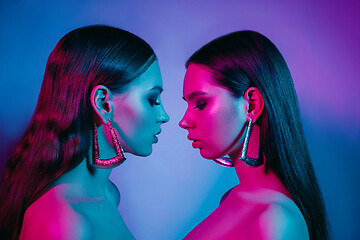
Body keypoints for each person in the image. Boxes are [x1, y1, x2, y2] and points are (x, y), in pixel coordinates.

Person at [0, 25, 169, 240]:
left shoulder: (108, 194)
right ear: (103, 103)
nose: (164, 115)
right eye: (152, 99)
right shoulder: (62, 222)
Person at [179, 31, 330, 240]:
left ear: (252, 104)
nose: (184, 121)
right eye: (187, 105)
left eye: (201, 104)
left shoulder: (275, 222)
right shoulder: (232, 198)